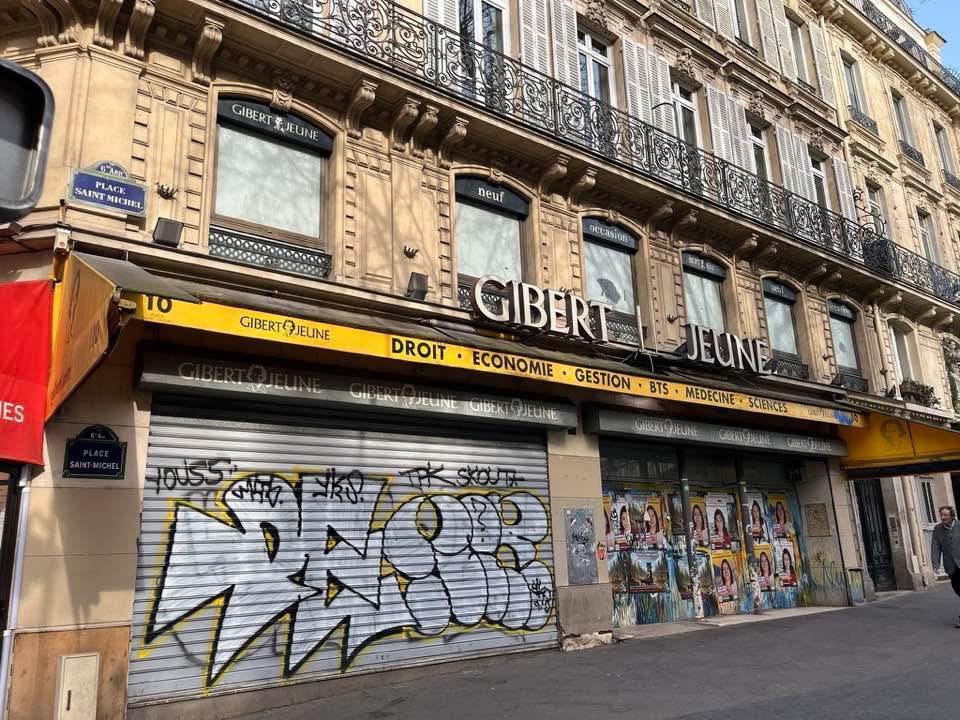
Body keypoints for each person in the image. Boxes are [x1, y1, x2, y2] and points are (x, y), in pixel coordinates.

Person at [931, 505, 960, 627]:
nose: (943, 518)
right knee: (957, 588)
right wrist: (936, 564)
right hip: (951, 566)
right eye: (941, 515)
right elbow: (935, 546)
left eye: (945, 515)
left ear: (951, 516)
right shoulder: (938, 529)